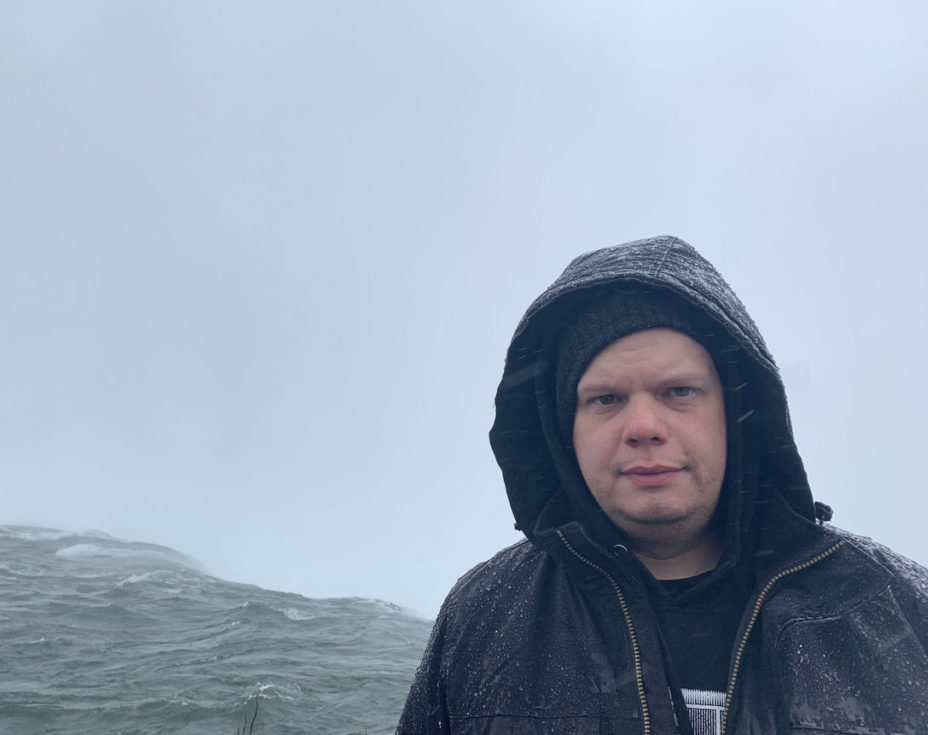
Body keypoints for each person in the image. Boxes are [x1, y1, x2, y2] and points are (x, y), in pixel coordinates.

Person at [397, 236, 928, 735]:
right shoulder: (480, 616)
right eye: (606, 399)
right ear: (563, 431)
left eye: (679, 391)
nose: (643, 427)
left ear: (736, 413)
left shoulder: (901, 608)